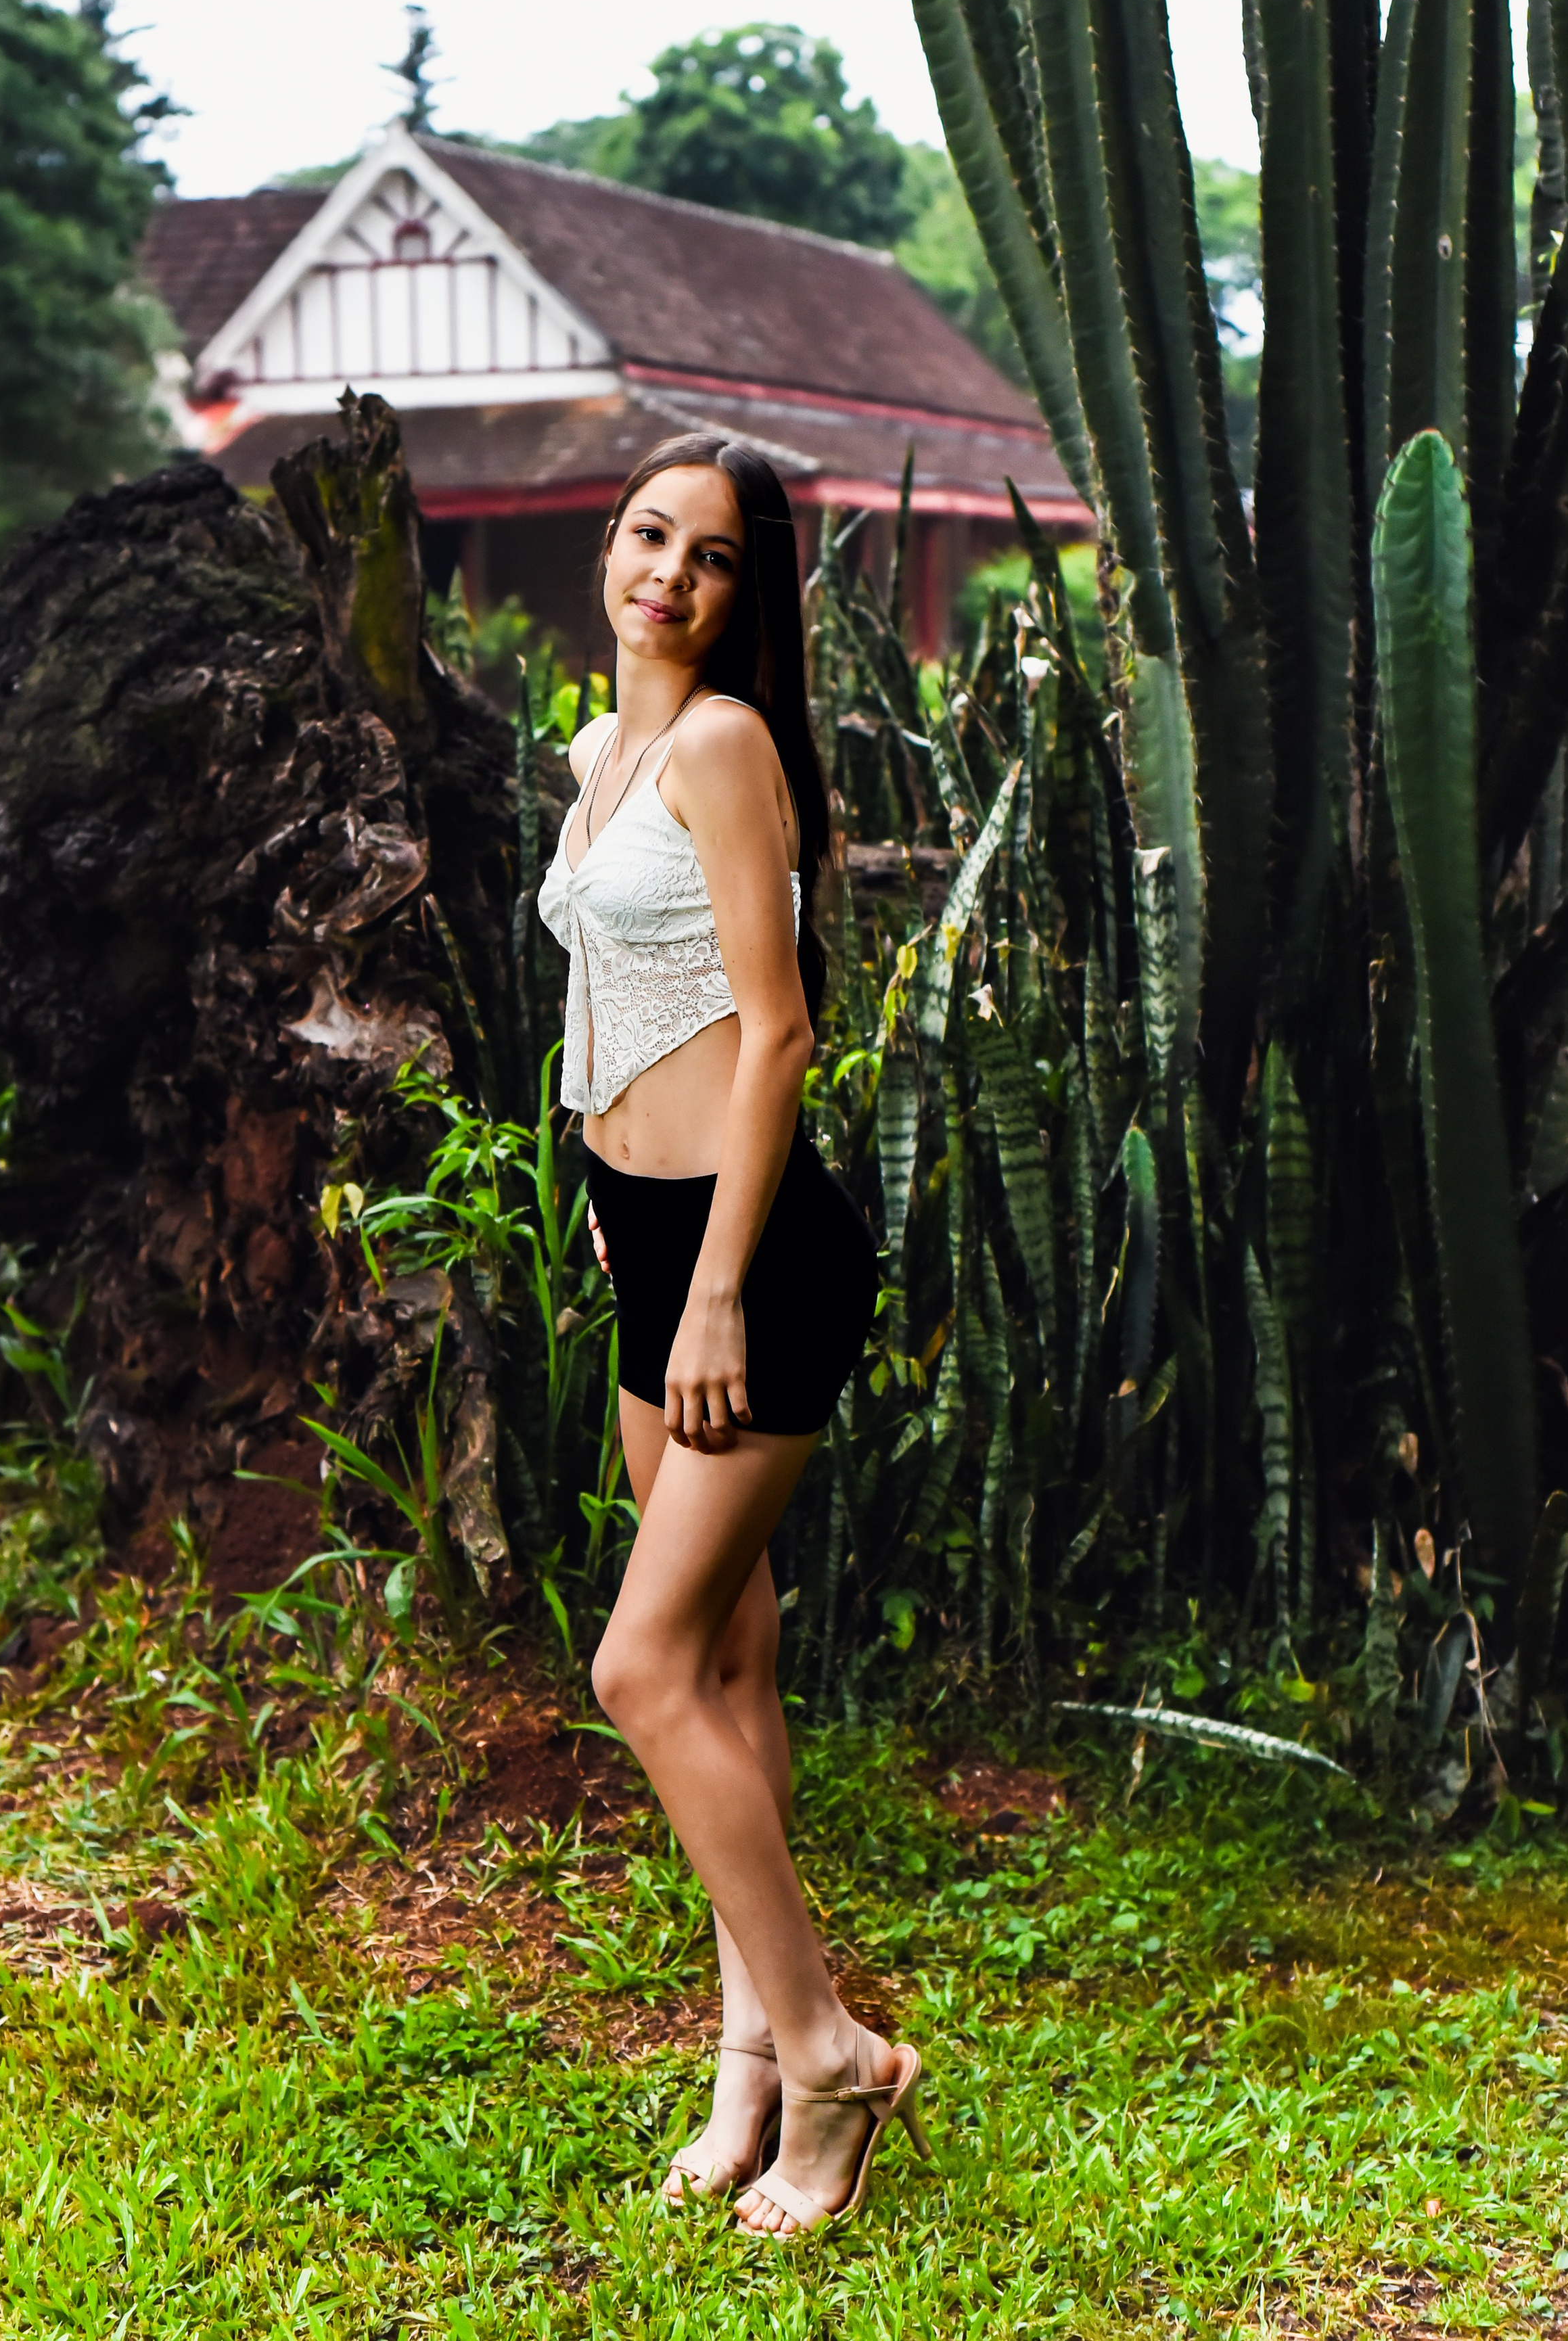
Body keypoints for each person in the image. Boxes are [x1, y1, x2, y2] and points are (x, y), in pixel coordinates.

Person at [538, 434, 932, 2237]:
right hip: (653, 1242)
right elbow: (615, 994)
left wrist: (707, 1286)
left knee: (640, 1670)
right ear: (609, 547)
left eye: (708, 557)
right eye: (646, 535)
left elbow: (774, 1033)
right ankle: (751, 2066)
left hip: (751, 1263)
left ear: (744, 593)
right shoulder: (603, 751)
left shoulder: (719, 742)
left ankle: (835, 2051)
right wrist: (629, 1242)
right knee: (726, 1677)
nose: (667, 575)